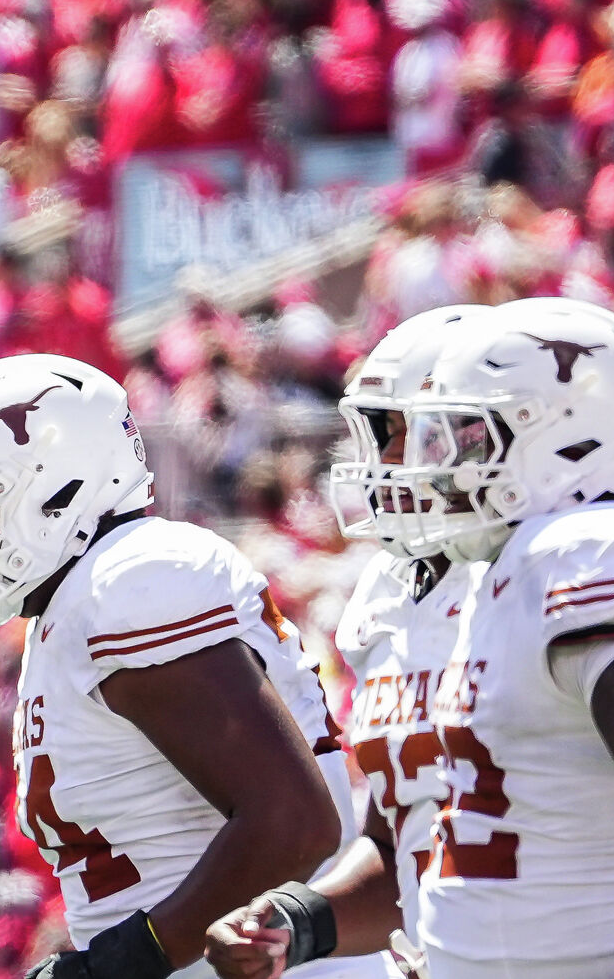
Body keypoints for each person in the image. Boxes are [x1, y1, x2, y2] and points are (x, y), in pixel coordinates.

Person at [208, 298, 614, 979]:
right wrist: (304, 922)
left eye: (442, 431)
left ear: (560, 437)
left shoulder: (590, 553)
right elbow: (419, 842)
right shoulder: (398, 596)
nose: (411, 460)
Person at [0, 353, 348, 979]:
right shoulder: (74, 604)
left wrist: (118, 965)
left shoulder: (130, 582)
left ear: (51, 489)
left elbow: (293, 824)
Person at [205, 306, 495, 978]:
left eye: (397, 431)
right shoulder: (393, 595)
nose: (377, 461)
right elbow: (402, 851)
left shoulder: (579, 579)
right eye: (373, 433)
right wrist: (296, 923)